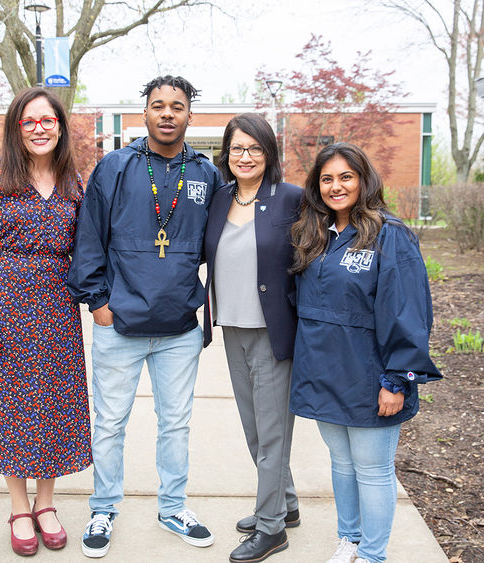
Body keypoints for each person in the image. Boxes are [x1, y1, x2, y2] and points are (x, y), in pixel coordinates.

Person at [67, 75, 221, 558]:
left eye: (178, 106)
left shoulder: (206, 174)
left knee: (175, 423)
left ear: (190, 114)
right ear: (145, 114)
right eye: (159, 106)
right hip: (121, 321)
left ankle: (174, 506)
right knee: (110, 423)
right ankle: (104, 507)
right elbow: (89, 237)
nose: (168, 114)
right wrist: (97, 303)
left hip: (178, 327)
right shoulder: (116, 167)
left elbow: (223, 244)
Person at [0, 87, 92, 556]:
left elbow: (91, 247)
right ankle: (17, 505)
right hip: (5, 304)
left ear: (60, 127)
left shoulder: (74, 180)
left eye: (47, 121)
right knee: (9, 406)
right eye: (28, 121)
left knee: (51, 403)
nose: (38, 129)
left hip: (56, 306)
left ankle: (46, 503)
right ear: (16, 127)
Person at [289, 142, 442, 563]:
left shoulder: (390, 235)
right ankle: (350, 540)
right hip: (324, 372)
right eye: (327, 179)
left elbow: (408, 312)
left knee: (373, 470)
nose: (336, 187)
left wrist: (397, 379)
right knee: (341, 463)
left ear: (363, 180)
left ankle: (374, 554)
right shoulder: (314, 234)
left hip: (371, 372)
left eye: (345, 177)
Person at [202, 113, 302, 563]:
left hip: (273, 331)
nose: (245, 157)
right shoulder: (218, 197)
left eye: (255, 149)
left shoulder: (291, 200)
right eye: (237, 149)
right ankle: (286, 503)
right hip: (232, 326)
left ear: (269, 153)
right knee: (254, 429)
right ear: (227, 154)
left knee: (273, 431)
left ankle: (271, 527)